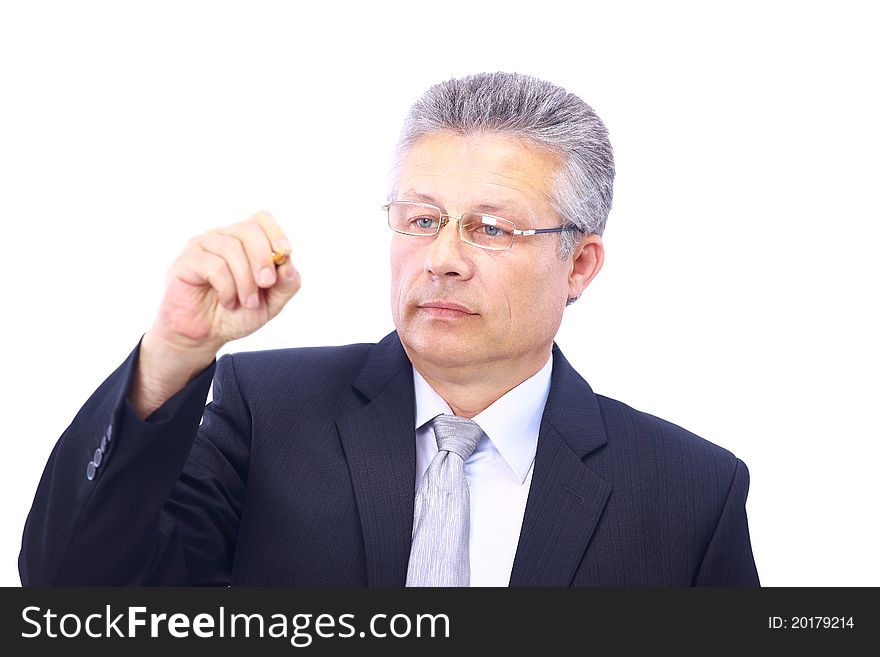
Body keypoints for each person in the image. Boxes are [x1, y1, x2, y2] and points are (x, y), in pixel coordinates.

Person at [19, 72, 759, 586]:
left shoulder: (688, 490)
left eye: (490, 228)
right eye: (423, 219)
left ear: (580, 264)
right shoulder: (266, 413)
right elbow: (76, 589)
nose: (442, 259)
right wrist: (170, 357)